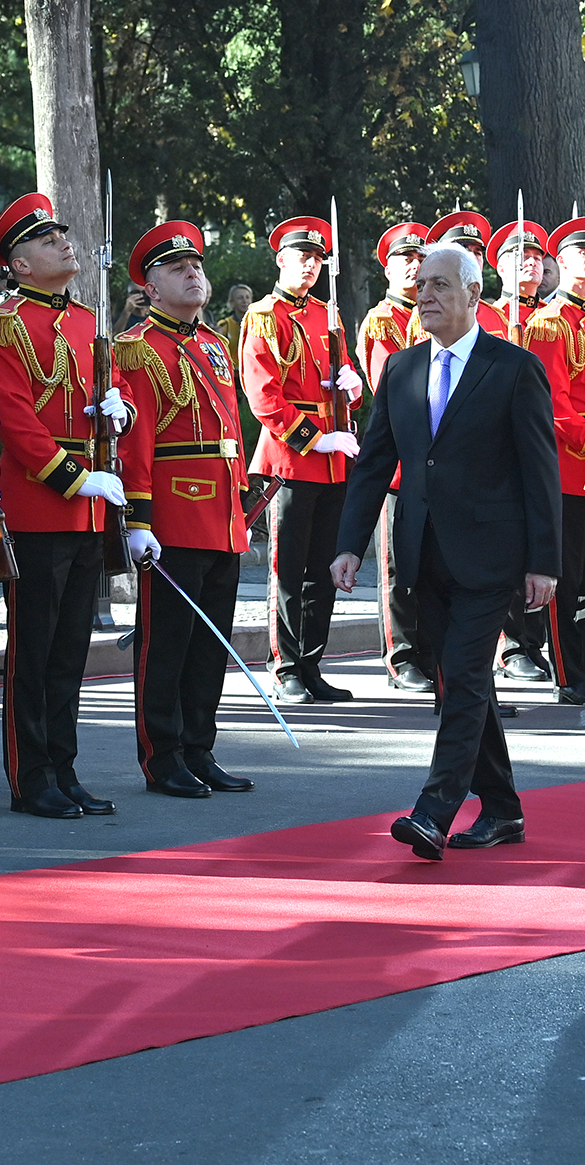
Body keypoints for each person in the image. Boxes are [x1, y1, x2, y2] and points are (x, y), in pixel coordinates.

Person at [330, 242, 560, 861]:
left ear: (473, 294)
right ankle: (503, 808)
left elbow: (540, 470)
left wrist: (544, 562)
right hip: (421, 553)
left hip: (491, 555)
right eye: (421, 285)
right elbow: (375, 464)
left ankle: (434, 811)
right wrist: (350, 544)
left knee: (462, 676)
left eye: (439, 285)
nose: (424, 295)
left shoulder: (513, 368)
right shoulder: (401, 368)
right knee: (460, 681)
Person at [0, 191, 131, 819]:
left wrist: (118, 408)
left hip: (88, 507)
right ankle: (31, 775)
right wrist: (74, 477)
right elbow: (16, 420)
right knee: (35, 651)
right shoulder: (3, 325)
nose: (64, 244)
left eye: (62, 236)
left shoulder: (87, 320)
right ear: (19, 265)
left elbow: (108, 392)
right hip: (41, 504)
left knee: (70, 651)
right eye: (47, 241)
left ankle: (63, 768)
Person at [116, 220, 255, 797]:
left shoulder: (214, 345)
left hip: (222, 515)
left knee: (209, 645)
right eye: (177, 269)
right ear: (150, 288)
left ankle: (200, 748)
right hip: (173, 513)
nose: (193, 274)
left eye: (196, 265)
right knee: (167, 644)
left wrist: (241, 500)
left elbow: (230, 430)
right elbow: (137, 440)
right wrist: (138, 520)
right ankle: (163, 755)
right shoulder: (137, 348)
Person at [240, 215, 362, 704]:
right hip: (292, 458)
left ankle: (311, 664)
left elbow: (341, 376)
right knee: (288, 570)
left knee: (323, 571)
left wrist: (352, 383)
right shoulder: (263, 316)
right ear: (281, 260)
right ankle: (285, 665)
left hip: (333, 459)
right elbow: (263, 396)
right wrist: (315, 439)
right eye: (302, 257)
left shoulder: (327, 315)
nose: (311, 265)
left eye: (317, 259)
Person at [535, 217, 585, 709]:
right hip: (568, 464)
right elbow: (552, 401)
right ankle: (568, 673)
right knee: (566, 579)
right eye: (580, 252)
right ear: (560, 262)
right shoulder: (549, 321)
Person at [358, 220, 432, 692]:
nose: (413, 267)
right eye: (404, 260)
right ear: (387, 268)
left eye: (420, 260)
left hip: (440, 463)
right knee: (397, 564)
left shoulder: (436, 315)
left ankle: (430, 652)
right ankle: (401, 655)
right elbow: (393, 390)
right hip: (404, 461)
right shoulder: (382, 321)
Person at [489, 218, 554, 683]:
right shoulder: (487, 317)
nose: (530, 263)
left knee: (542, 547)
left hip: (543, 444)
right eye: (519, 257)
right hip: (499, 447)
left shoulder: (552, 318)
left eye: (535, 257)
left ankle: (534, 640)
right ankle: (511, 645)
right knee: (506, 549)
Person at [426, 210, 511, 339]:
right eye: (463, 250)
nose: (472, 257)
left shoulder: (495, 316)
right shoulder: (427, 312)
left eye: (477, 252)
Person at [215, 282, 254, 352]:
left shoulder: (257, 324)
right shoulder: (225, 324)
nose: (245, 301)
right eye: (240, 298)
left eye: (247, 297)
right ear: (232, 302)